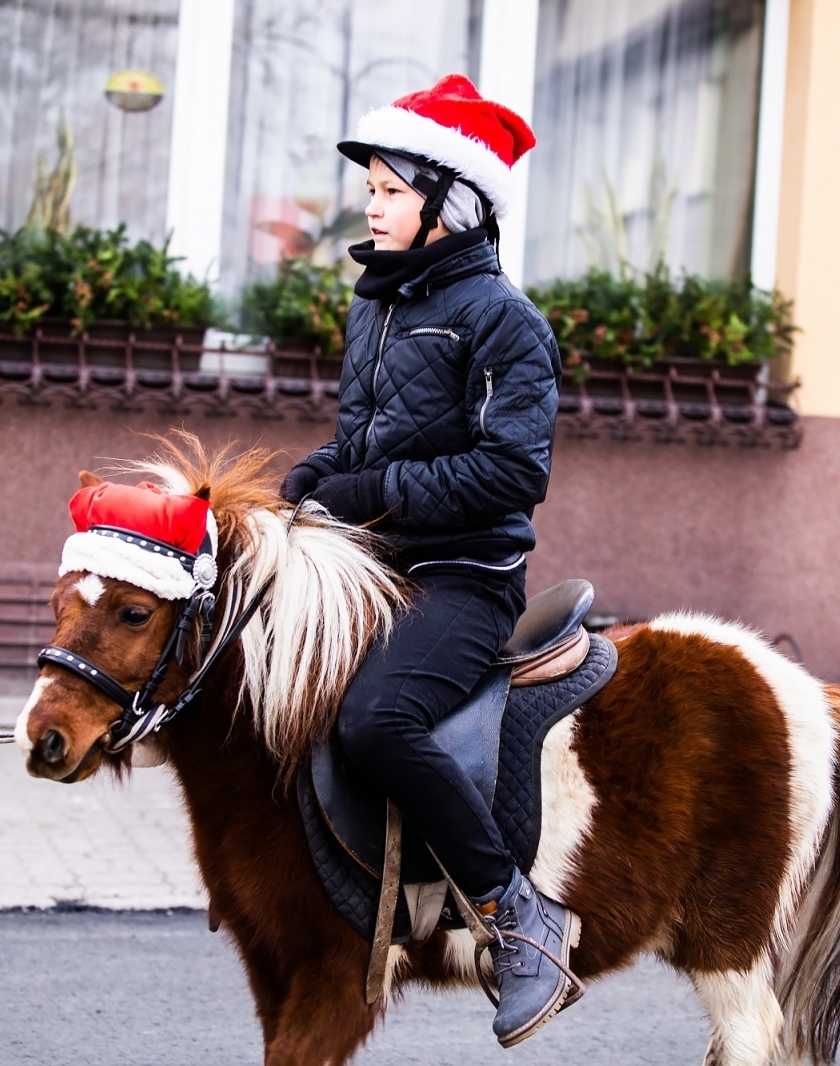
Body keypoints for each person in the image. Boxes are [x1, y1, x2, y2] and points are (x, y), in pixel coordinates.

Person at [278, 75, 576, 1046]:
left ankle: (517, 917)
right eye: (370, 185)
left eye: (393, 188)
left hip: (465, 577)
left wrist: (374, 492)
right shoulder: (376, 306)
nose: (371, 202)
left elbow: (510, 472)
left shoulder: (503, 319)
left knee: (375, 718)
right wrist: (309, 480)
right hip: (374, 564)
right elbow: (358, 445)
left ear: (456, 203)